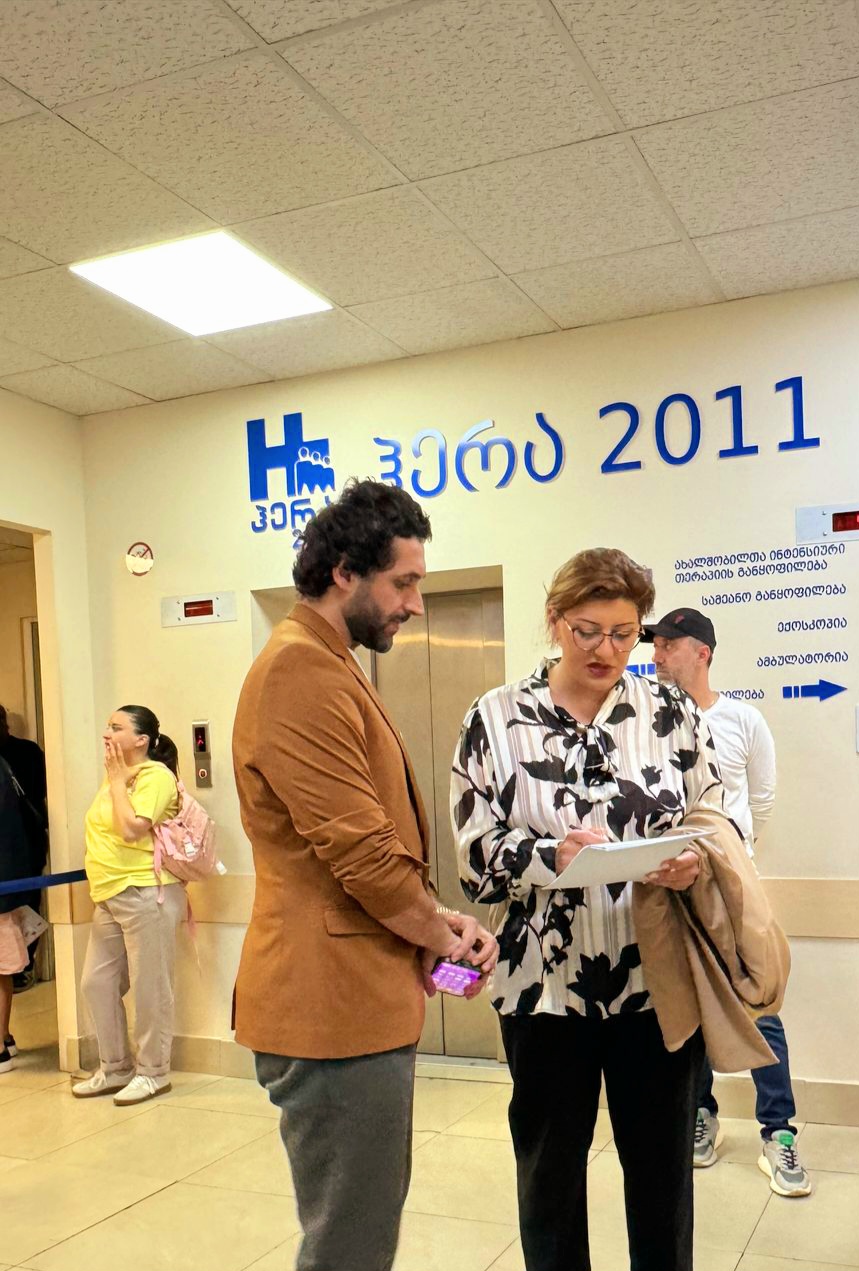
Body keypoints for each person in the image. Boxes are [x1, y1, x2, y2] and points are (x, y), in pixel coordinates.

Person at [451, 547, 778, 1271]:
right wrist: (552, 856)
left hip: (656, 987)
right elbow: (475, 862)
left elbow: (711, 815)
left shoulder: (668, 711)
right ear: (554, 621)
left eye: (625, 634)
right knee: (549, 1181)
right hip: (541, 991)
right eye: (587, 631)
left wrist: (694, 858)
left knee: (662, 1182)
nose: (606, 650)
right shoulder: (496, 718)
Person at [232, 479, 498, 1271]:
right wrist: (441, 933)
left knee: (361, 1228)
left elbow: (367, 849)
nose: (413, 603)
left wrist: (437, 925)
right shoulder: (299, 671)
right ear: (343, 571)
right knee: (350, 1243)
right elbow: (363, 858)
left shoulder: (328, 662)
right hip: (329, 1010)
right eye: (402, 582)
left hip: (357, 999)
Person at [646, 607, 811, 1197]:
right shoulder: (648, 722)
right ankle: (701, 1115)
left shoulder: (742, 719)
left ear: (702, 652)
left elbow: (760, 800)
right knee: (685, 1006)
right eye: (655, 645)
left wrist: (731, 859)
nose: (656, 655)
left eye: (668, 645)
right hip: (671, 889)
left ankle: (779, 1131)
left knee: (760, 1001)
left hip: (733, 888)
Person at [71, 706, 184, 1105]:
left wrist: (119, 782)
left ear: (141, 740)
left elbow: (132, 829)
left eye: (116, 727)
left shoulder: (155, 776)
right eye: (107, 726)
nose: (106, 733)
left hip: (146, 893)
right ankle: (116, 1067)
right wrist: (117, 781)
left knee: (151, 987)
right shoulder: (114, 778)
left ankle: (153, 1072)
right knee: (96, 983)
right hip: (109, 896)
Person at [0, 755, 47, 1072]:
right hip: (9, 882)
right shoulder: (4, 765)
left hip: (3, 886)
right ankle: (4, 1038)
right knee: (2, 969)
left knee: (1, 968)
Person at [0, 705, 48, 990]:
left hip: (24, 844)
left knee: (26, 903)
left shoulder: (28, 752)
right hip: (21, 844)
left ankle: (23, 966)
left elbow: (42, 791)